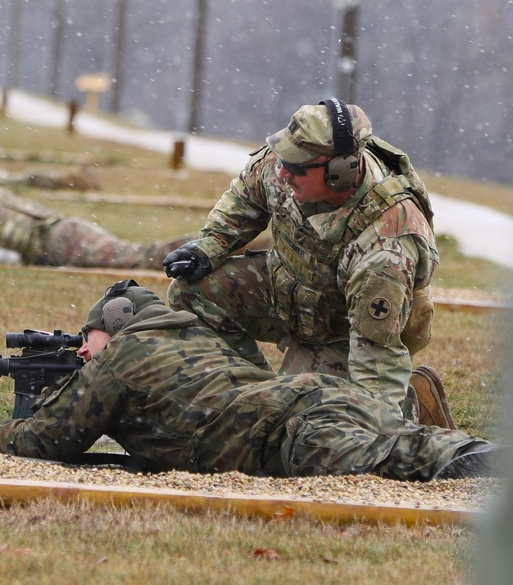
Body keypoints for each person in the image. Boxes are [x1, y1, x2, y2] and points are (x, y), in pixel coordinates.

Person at [0, 281, 502, 480]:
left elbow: (44, 442)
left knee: (394, 460)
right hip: (318, 394)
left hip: (291, 429)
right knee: (410, 445)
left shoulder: (124, 356)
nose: (81, 349)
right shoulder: (203, 339)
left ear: (116, 325)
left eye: (88, 336)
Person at [161, 99, 445, 425]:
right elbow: (247, 195)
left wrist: (377, 432)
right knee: (193, 292)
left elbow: (377, 358)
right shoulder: (292, 162)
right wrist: (210, 246)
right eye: (284, 159)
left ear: (341, 173)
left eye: (296, 167)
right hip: (289, 293)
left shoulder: (384, 244)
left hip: (345, 333)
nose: (283, 172)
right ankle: (251, 400)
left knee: (312, 427)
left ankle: (413, 407)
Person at [0, 139, 195, 269]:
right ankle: (201, 247)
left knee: (137, 259)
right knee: (137, 256)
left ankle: (202, 246)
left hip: (56, 242)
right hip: (62, 232)